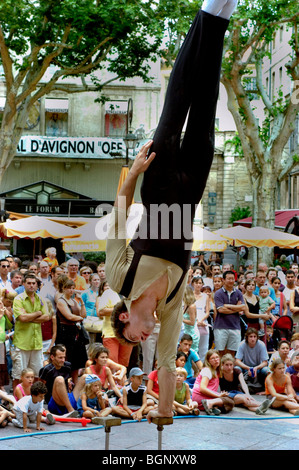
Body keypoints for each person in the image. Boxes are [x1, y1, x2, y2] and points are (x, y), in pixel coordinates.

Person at [105, 0, 238, 422]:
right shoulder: (170, 307)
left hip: (158, 181)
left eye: (130, 336)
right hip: (193, 188)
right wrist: (164, 413)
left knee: (178, 96)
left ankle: (207, 12)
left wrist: (135, 171)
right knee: (205, 102)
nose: (140, 339)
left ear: (124, 317)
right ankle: (220, 17)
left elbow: (120, 214)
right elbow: (166, 364)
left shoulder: (119, 277)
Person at [12, 273, 50, 390]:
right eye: (28, 283)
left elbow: (47, 316)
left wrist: (29, 317)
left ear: (37, 285)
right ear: (23, 284)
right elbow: (22, 318)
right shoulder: (18, 299)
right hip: (22, 342)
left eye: (34, 283)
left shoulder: (41, 299)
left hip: (36, 342)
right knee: (19, 376)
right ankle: (16, 402)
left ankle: (33, 399)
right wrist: (38, 313)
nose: (31, 286)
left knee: (37, 374)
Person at [39, 344, 85, 417]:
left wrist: (69, 381)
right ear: (52, 357)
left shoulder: (67, 365)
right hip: (55, 402)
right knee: (59, 379)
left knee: (86, 377)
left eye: (64, 357)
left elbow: (69, 377)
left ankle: (94, 406)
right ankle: (71, 411)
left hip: (68, 398)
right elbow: (40, 387)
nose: (63, 360)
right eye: (60, 358)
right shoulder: (47, 369)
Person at [56, 279, 88, 383]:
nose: (71, 290)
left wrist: (82, 301)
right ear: (64, 289)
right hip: (65, 333)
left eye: (73, 288)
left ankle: (75, 383)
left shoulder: (74, 301)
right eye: (69, 288)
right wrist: (79, 318)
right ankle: (65, 382)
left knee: (76, 362)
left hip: (75, 332)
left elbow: (83, 314)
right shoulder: (61, 301)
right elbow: (69, 316)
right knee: (66, 359)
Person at [96, 284, 132, 367]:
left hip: (127, 334)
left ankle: (121, 380)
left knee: (123, 364)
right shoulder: (107, 293)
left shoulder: (131, 292)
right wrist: (120, 310)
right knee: (111, 364)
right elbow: (101, 312)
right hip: (111, 334)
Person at [213, 270, 247, 357]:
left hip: (235, 327)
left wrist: (227, 306)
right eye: (229, 279)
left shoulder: (238, 293)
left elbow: (243, 307)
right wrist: (236, 308)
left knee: (232, 353)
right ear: (223, 280)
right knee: (220, 352)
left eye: (233, 279)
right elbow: (221, 310)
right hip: (220, 327)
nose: (231, 281)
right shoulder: (218, 293)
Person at [192, 349, 234, 415]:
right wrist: (218, 395)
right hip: (200, 396)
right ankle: (210, 403)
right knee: (229, 402)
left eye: (217, 357)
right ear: (208, 361)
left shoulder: (216, 370)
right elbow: (202, 388)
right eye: (213, 358)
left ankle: (212, 407)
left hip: (205, 397)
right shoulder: (207, 370)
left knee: (229, 402)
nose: (216, 360)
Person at [235, 328, 270, 393]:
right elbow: (237, 361)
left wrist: (256, 368)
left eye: (254, 336)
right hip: (245, 367)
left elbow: (265, 362)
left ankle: (265, 388)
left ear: (257, 337)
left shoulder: (261, 344)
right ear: (247, 337)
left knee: (266, 370)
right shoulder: (242, 344)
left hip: (258, 368)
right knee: (236, 368)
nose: (253, 339)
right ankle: (237, 388)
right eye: (251, 337)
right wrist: (248, 368)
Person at [0, 297, 13, 390]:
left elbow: (10, 322)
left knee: (1, 366)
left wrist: (6, 311)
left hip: (1, 344)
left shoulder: (2, 311)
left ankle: (1, 388)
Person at [182, 286, 199, 353]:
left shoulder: (191, 306)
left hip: (192, 334)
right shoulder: (186, 304)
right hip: (187, 331)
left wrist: (181, 320)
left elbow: (192, 322)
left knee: (192, 353)